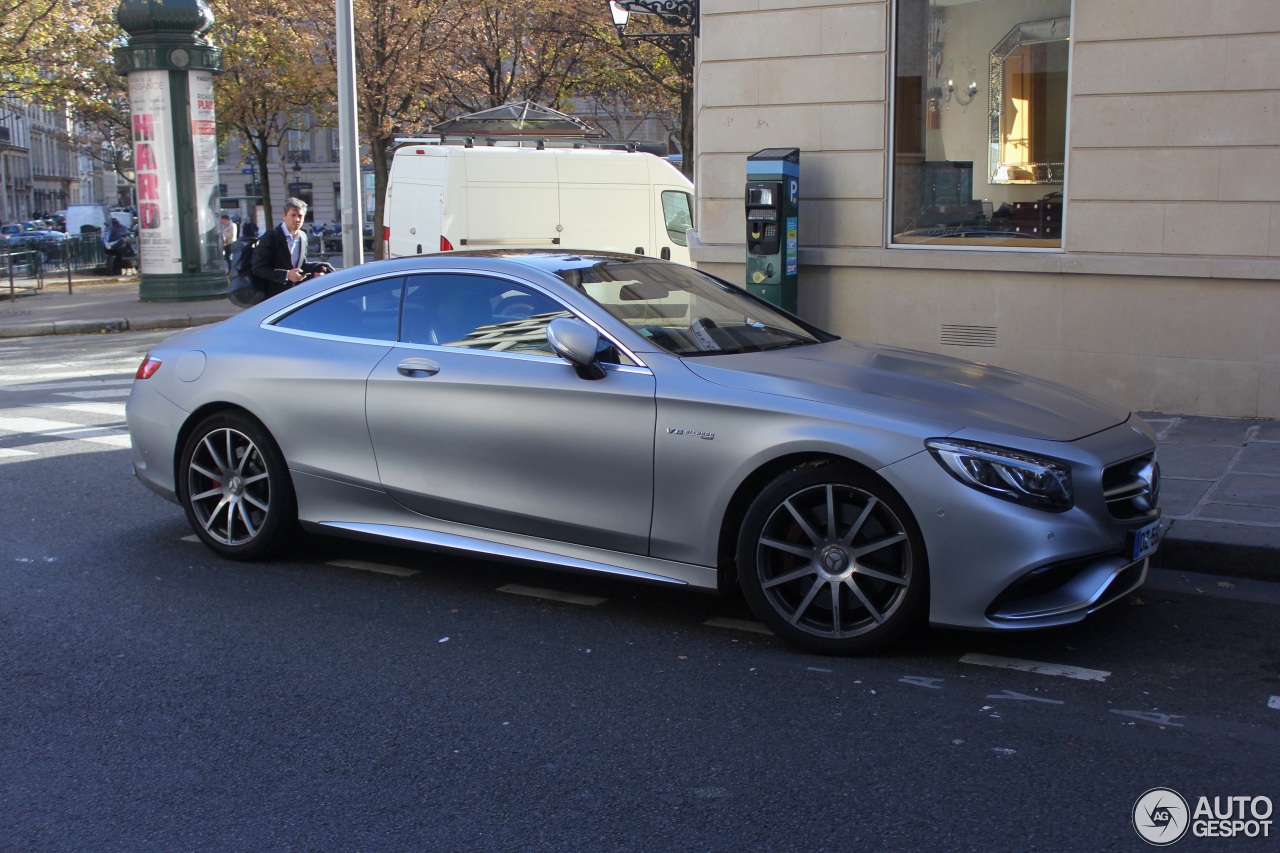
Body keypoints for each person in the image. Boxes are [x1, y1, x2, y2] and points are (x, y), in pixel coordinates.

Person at [251, 198, 329, 299]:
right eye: (293, 215)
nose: (297, 219)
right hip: (273, 297)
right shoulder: (272, 237)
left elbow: (300, 265)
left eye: (300, 216)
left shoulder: (303, 236)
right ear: (284, 215)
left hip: (295, 295)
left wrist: (317, 269)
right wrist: (286, 275)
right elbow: (258, 268)